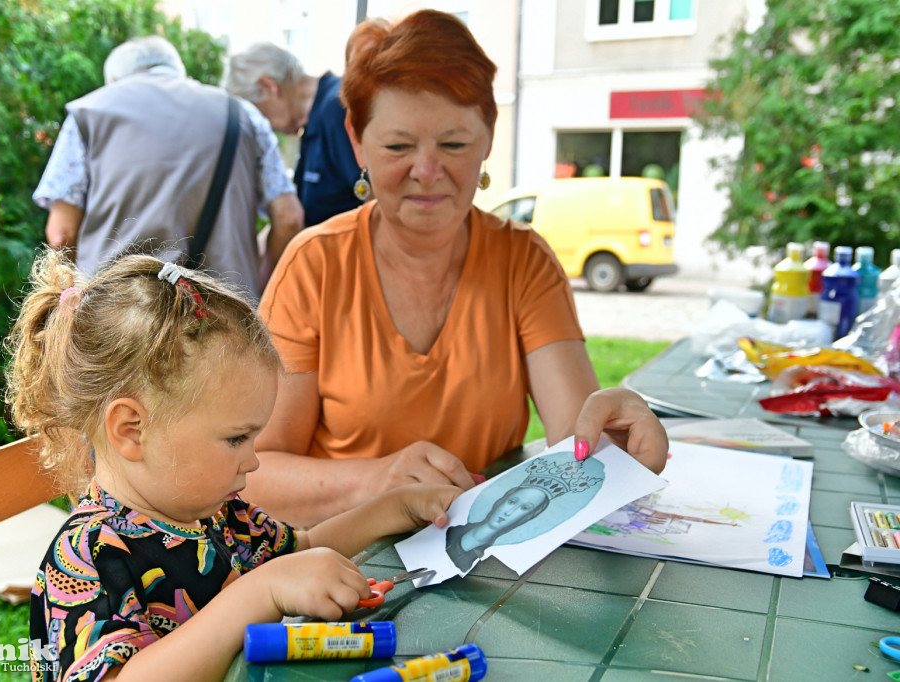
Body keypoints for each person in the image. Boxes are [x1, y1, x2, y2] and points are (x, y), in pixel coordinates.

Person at [246, 9, 668, 528]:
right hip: (337, 568)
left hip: (482, 562)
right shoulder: (313, 266)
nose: (427, 172)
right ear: (356, 139)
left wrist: (619, 442)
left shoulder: (524, 261)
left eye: (454, 145)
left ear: (489, 136)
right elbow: (251, 475)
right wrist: (376, 482)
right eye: (399, 146)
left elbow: (578, 444)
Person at [3, 250, 461, 681]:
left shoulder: (214, 513)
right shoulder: (89, 555)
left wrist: (393, 509)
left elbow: (300, 550)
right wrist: (261, 592)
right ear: (131, 429)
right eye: (236, 438)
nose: (254, 459)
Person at [32, 35, 303, 300]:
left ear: (115, 82)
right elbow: (289, 217)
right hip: (225, 321)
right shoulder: (244, 115)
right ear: (178, 71)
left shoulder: (87, 114)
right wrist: (261, 284)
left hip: (118, 323)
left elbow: (61, 234)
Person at [226, 42, 363, 226]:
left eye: (258, 115)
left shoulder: (336, 109)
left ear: (268, 87)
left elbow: (375, 200)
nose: (266, 127)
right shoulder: (311, 123)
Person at [444, 456, 602, 572]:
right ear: (501, 500)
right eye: (512, 502)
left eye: (525, 508)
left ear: (529, 517)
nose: (510, 511)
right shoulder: (448, 531)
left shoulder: (493, 565)